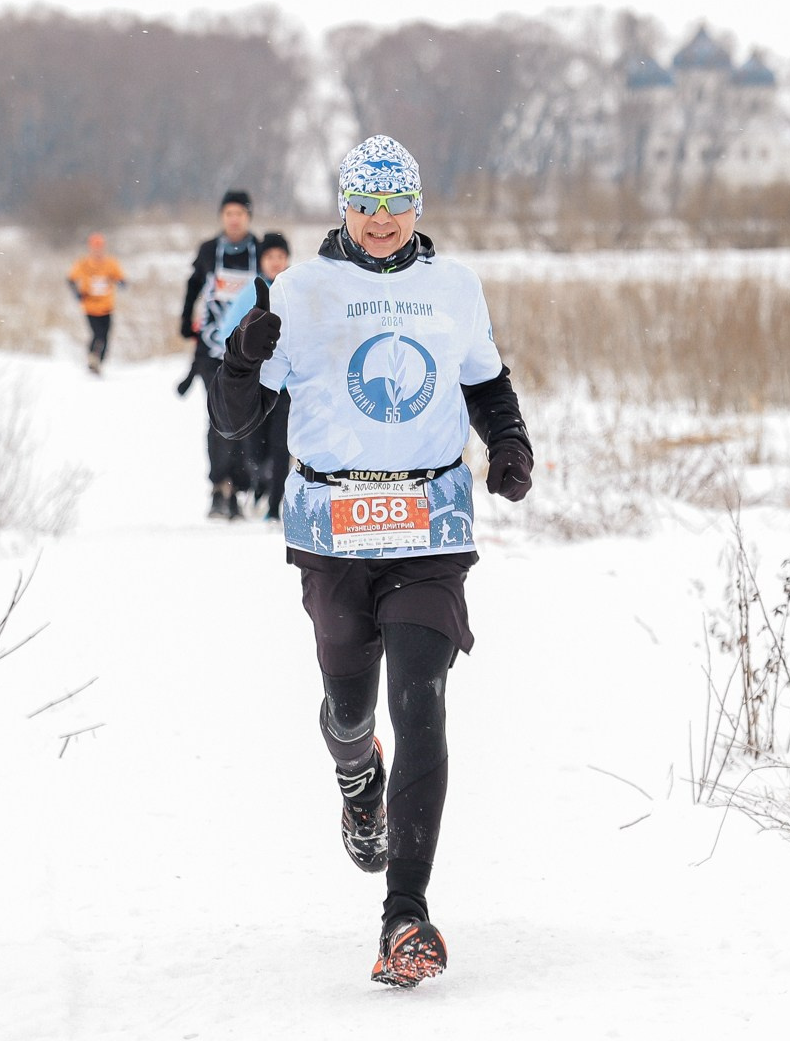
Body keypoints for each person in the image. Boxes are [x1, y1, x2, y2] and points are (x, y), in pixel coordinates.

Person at [210, 136, 534, 991]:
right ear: (343, 207)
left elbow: (486, 383)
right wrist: (244, 354)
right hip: (334, 525)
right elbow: (236, 419)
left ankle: (406, 916)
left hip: (430, 524)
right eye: (366, 204)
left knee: (420, 699)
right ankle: (358, 773)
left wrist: (508, 443)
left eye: (397, 205)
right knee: (353, 706)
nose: (382, 221)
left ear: (417, 208)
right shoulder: (302, 290)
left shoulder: (454, 287)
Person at [179, 189, 267, 520]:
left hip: (247, 351)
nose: (234, 219)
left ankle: (242, 485)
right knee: (218, 419)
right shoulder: (208, 250)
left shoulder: (260, 251)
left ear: (249, 217)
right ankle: (220, 487)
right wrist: (186, 325)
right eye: (228, 213)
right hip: (212, 350)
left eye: (240, 214)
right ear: (221, 217)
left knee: (246, 420)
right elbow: (193, 287)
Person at [220, 231, 295, 520]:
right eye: (270, 257)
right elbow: (228, 332)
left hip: (287, 386)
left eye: (281, 257)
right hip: (256, 384)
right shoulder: (250, 292)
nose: (276, 262)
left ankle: (276, 507)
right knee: (254, 449)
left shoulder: (294, 290)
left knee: (281, 448)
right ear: (261, 260)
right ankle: (260, 480)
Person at [66, 232, 127, 375]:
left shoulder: (111, 263)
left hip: (107, 306)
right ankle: (92, 359)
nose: (97, 251)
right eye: (95, 248)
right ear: (90, 248)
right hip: (90, 307)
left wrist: (120, 282)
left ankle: (98, 362)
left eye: (100, 247)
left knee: (105, 336)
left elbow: (121, 279)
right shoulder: (83, 264)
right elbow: (70, 280)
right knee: (97, 334)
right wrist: (77, 293)